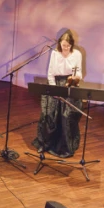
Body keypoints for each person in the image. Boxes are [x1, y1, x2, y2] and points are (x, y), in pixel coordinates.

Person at [37, 29, 85, 157]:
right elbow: (50, 73)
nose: (66, 48)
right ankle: (45, 143)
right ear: (60, 43)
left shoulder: (77, 54)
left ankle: (65, 146)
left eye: (68, 45)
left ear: (71, 44)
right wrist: (54, 90)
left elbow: (79, 72)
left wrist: (75, 78)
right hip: (55, 83)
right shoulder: (54, 53)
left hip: (69, 84)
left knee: (67, 115)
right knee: (48, 114)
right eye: (64, 45)